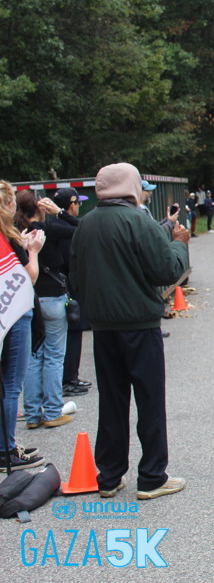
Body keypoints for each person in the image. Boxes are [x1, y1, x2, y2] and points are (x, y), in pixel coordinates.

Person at [70, 162, 190, 500]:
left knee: (111, 401)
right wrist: (179, 244)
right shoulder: (139, 221)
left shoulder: (86, 224)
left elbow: (75, 277)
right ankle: (152, 476)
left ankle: (109, 476)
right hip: (139, 324)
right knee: (149, 401)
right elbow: (166, 270)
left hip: (103, 327)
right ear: (132, 187)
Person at [16, 192, 80, 428]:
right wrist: (59, 212)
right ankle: (53, 411)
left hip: (29, 298)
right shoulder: (48, 230)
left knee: (34, 356)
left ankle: (32, 414)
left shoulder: (17, 233)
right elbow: (81, 229)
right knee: (54, 355)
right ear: (40, 208)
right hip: (53, 296)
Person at [0, 180, 46, 470]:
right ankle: (6, 449)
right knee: (11, 385)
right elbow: (28, 277)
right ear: (8, 205)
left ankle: (7, 444)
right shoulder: (7, 237)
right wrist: (34, 251)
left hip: (7, 315)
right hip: (15, 315)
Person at [51, 188, 93, 395]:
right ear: (71, 205)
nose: (79, 207)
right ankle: (69, 378)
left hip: (64, 286)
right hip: (70, 287)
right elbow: (71, 260)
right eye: (78, 203)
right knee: (73, 333)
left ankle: (70, 376)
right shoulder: (65, 229)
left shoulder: (55, 225)